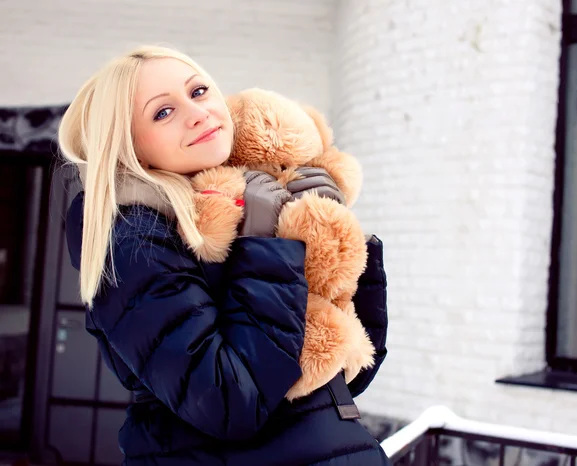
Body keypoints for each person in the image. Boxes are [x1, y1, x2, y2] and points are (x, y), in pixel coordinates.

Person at [59, 45, 390, 466]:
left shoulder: (239, 200)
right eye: (162, 113)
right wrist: (267, 246)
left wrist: (333, 239)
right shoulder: (131, 240)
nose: (196, 113)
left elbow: (350, 376)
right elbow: (229, 403)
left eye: (198, 91)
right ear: (129, 148)